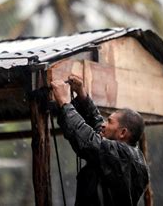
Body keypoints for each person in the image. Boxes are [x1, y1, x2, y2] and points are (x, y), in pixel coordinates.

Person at [51, 74, 149, 206]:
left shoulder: (123, 156)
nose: (103, 124)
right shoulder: (126, 154)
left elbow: (88, 141)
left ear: (123, 133)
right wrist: (82, 95)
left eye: (109, 122)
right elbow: (97, 125)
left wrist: (65, 103)